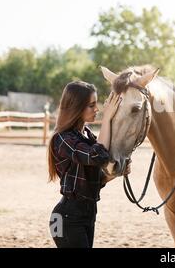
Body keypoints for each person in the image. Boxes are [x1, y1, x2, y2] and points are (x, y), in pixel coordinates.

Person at [47, 80, 126, 248]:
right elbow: (98, 156)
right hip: (67, 217)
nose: (96, 109)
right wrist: (107, 120)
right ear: (77, 107)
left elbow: (94, 180)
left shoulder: (87, 135)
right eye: (91, 105)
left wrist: (117, 172)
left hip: (86, 214)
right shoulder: (63, 138)